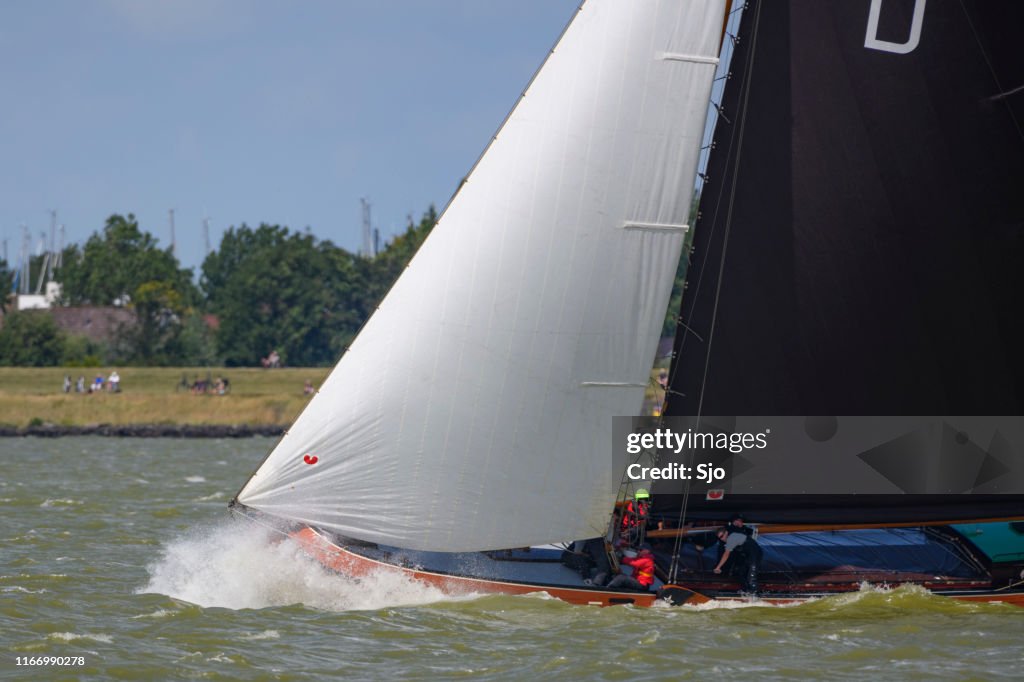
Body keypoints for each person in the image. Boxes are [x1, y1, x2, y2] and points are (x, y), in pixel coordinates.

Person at [712, 525, 762, 595]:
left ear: (726, 533)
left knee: (751, 576)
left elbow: (726, 554)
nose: (721, 539)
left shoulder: (731, 538)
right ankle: (746, 591)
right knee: (740, 572)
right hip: (748, 555)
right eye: (719, 538)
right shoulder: (729, 541)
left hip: (754, 553)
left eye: (722, 536)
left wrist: (718, 567)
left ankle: (754, 595)